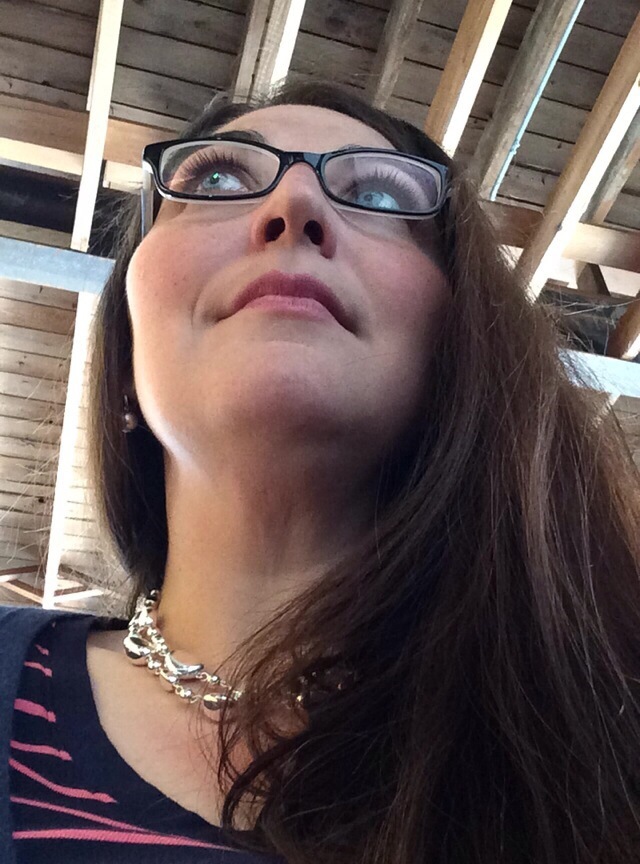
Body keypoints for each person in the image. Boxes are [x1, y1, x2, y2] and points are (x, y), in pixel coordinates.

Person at [2, 78, 640, 864]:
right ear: (126, 364)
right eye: (218, 179)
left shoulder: (609, 739)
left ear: (462, 348)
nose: (296, 203)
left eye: (377, 193)